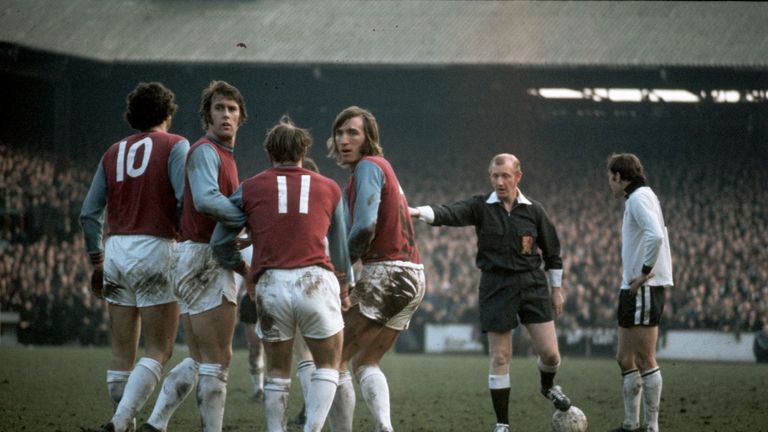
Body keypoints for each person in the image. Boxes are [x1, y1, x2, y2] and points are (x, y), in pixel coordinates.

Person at [409, 153, 572, 432]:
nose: (499, 181)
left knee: (551, 355)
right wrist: (419, 212)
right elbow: (451, 213)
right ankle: (502, 424)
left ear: (518, 177)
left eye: (505, 176)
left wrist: (556, 290)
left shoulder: (535, 211)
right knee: (500, 357)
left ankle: (547, 386)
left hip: (532, 284)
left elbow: (553, 254)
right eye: (495, 176)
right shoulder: (481, 207)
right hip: (496, 286)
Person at [210, 115, 352, 432]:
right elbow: (341, 249)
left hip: (271, 283)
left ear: (269, 153)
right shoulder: (330, 188)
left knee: (276, 370)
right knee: (329, 364)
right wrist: (345, 289)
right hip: (316, 281)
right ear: (304, 151)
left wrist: (246, 272)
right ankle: (312, 429)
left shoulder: (250, 187)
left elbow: (219, 243)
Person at [79, 82, 189, 432]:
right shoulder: (176, 145)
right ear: (168, 114)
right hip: (156, 247)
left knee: (121, 354)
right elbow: (184, 199)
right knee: (159, 348)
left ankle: (123, 420)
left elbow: (88, 213)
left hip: (115, 251)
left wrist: (97, 262)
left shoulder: (113, 152)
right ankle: (121, 421)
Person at [139, 80, 248, 432]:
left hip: (194, 256)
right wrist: (251, 219)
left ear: (241, 116)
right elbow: (203, 199)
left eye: (232, 109)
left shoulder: (224, 156)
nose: (226, 115)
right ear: (207, 116)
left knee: (200, 358)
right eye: (219, 108)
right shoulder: (205, 152)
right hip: (204, 257)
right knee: (219, 359)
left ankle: (156, 422)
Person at [326, 106, 426, 432]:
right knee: (366, 361)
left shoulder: (368, 167)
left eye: (353, 132)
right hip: (413, 275)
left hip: (387, 273)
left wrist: (341, 268)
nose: (344, 139)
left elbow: (365, 226)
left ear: (369, 137)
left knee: (333, 358)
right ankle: (385, 427)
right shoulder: (380, 168)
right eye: (340, 132)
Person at [607, 153, 673, 432]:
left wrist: (644, 272)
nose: (609, 183)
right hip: (630, 286)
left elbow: (656, 234)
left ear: (620, 177)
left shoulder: (638, 198)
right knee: (625, 358)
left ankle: (651, 426)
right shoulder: (639, 197)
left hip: (644, 286)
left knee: (645, 358)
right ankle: (630, 425)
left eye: (611, 178)